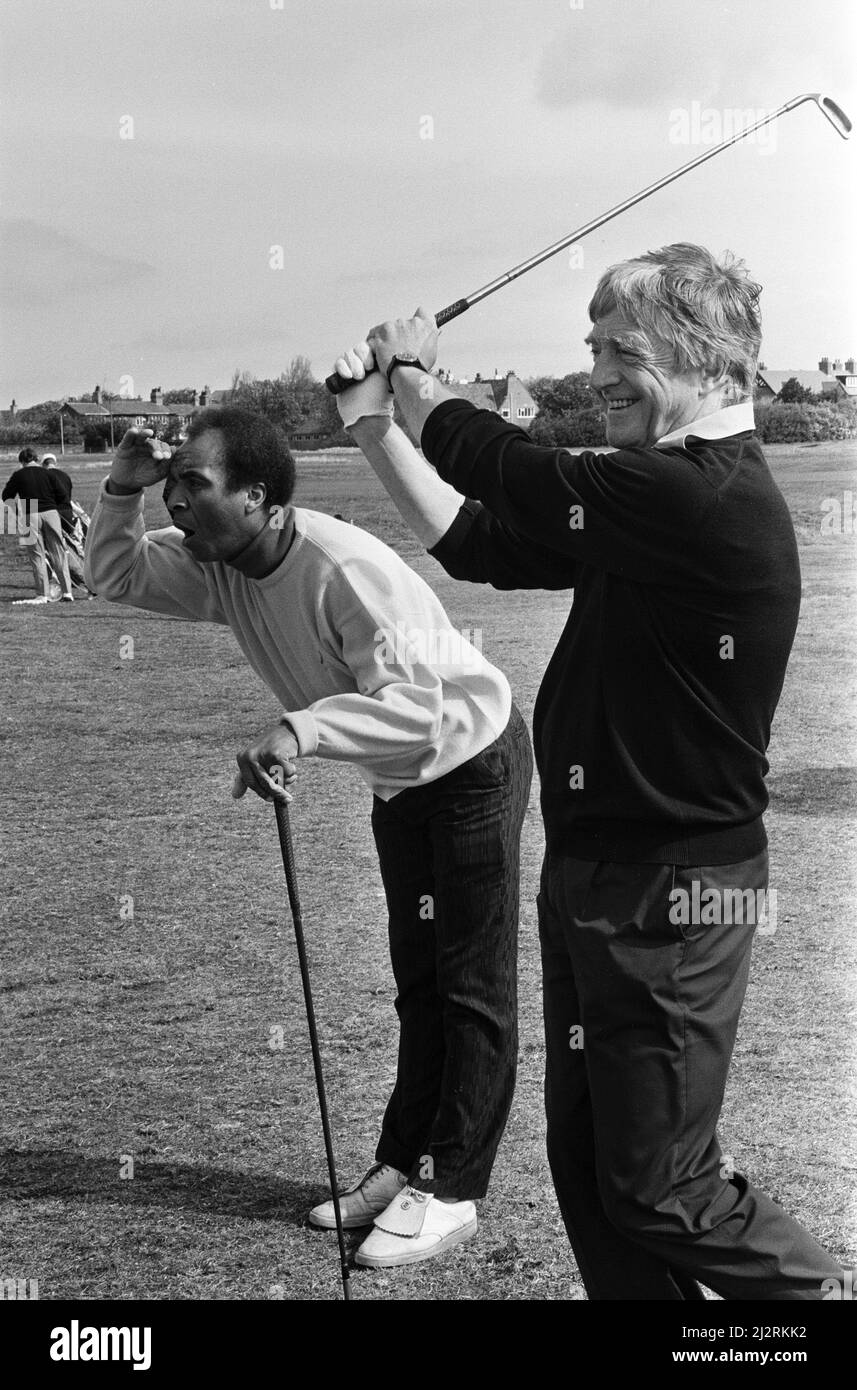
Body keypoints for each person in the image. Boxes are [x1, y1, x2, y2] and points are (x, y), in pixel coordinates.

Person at [332, 242, 845, 1299]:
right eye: (592, 345)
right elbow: (481, 540)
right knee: (592, 1171)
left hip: (673, 888)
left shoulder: (696, 493)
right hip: (591, 875)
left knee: (662, 1184)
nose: (598, 368)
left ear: (712, 366)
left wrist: (422, 378)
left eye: (624, 349)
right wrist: (372, 424)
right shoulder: (646, 501)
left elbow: (516, 471)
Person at [83, 406, 533, 1271]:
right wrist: (119, 490)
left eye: (194, 485)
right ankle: (403, 1163)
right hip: (401, 778)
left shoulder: (341, 568)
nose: (178, 502)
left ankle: (450, 1190)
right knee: (419, 981)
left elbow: (418, 705)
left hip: (468, 759)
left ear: (259, 497)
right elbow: (115, 575)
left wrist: (299, 730)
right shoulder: (221, 559)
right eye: (172, 483)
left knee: (470, 986)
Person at [2, 447, 74, 602]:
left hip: (29, 510)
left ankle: (43, 593)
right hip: (51, 512)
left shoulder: (18, 475)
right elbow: (63, 495)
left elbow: (6, 495)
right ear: (36, 459)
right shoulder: (48, 473)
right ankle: (67, 592)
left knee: (36, 555)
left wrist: (15, 510)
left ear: (22, 461)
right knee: (59, 552)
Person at [40, 453, 93, 595]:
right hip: (67, 514)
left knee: (53, 548)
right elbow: (68, 497)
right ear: (54, 463)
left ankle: (59, 578)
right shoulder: (65, 476)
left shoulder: (43, 477)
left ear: (44, 464)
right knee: (71, 546)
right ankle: (83, 574)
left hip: (53, 513)